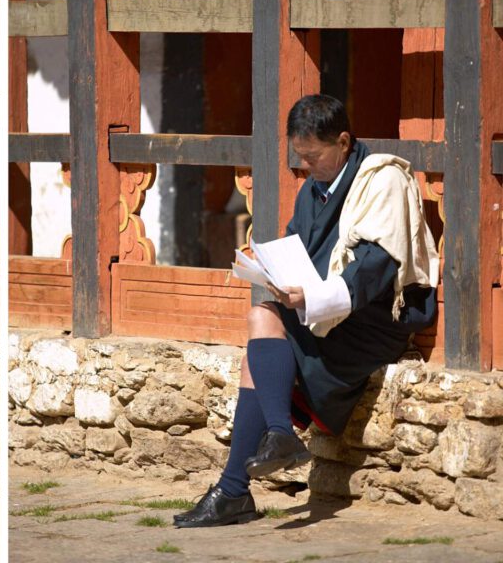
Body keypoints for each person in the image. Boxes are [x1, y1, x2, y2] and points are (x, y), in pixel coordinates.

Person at [175, 94, 439, 528]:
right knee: (262, 320)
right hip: (323, 311)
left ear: (343, 141)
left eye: (313, 156)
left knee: (260, 336)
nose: (306, 166)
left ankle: (238, 486)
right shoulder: (312, 189)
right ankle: (249, 471)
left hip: (370, 319)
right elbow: (295, 246)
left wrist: (312, 300)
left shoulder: (382, 181)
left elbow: (375, 269)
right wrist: (269, 272)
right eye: (300, 157)